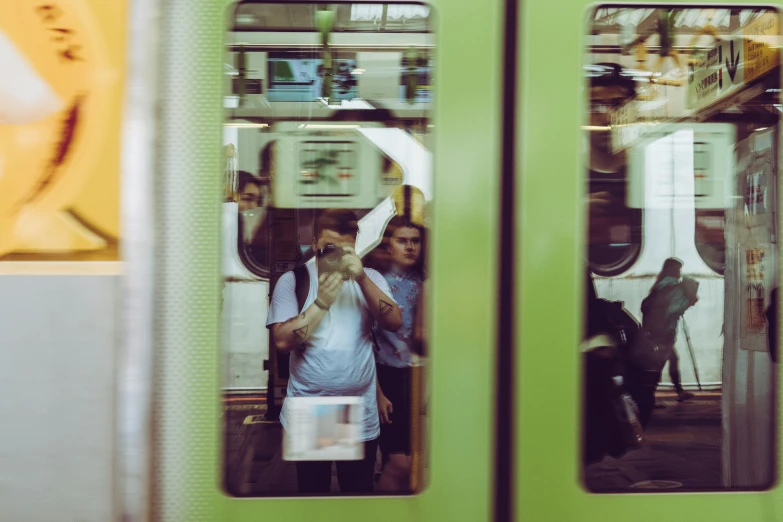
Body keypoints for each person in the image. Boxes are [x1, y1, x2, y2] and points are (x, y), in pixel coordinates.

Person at [266, 209, 403, 494]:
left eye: (345, 248)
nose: (336, 255)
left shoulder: (371, 279)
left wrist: (361, 278)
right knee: (315, 494)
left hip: (359, 407)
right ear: (314, 243)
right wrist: (322, 302)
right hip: (315, 406)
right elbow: (282, 342)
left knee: (357, 494)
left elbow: (392, 323)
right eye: (329, 247)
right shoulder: (294, 281)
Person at [365, 215, 426, 492]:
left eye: (415, 241)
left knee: (416, 466)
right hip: (386, 377)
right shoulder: (376, 283)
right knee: (398, 463)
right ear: (389, 245)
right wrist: (376, 390)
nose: (410, 247)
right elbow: (364, 338)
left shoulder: (426, 281)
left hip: (419, 378)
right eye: (402, 241)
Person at [641, 258, 698, 403]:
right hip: (664, 332)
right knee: (659, 364)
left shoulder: (660, 284)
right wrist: (689, 302)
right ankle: (648, 397)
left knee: (670, 359)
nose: (680, 272)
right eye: (678, 269)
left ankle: (677, 392)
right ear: (673, 270)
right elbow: (673, 310)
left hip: (654, 331)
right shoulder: (674, 286)